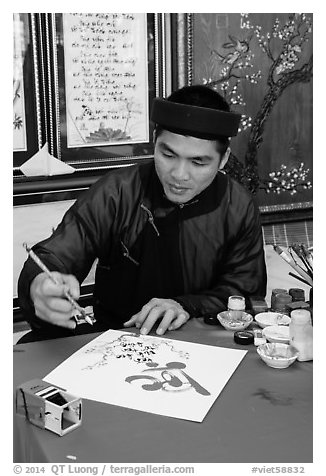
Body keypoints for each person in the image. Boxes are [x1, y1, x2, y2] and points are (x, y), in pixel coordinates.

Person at [18, 85, 267, 342]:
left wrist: (187, 305)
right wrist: (40, 284)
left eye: (198, 162)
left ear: (223, 159)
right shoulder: (117, 192)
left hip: (204, 340)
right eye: (168, 154)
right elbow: (57, 254)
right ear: (154, 144)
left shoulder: (236, 204)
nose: (179, 175)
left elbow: (245, 292)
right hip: (115, 336)